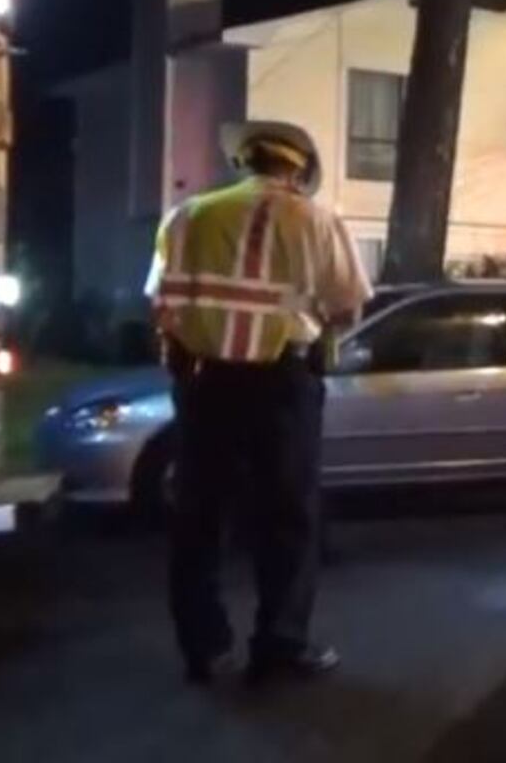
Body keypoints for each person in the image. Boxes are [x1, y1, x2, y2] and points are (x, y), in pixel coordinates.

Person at [145, 120, 372, 686]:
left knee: (198, 517)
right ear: (296, 169)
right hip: (282, 385)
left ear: (244, 163)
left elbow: (161, 303)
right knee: (288, 516)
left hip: (206, 383)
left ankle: (204, 646)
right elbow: (347, 308)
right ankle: (280, 643)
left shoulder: (189, 216)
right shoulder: (317, 221)